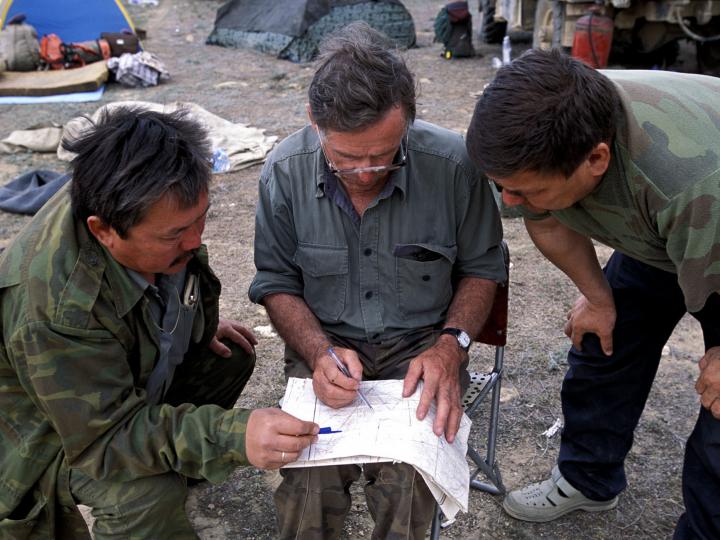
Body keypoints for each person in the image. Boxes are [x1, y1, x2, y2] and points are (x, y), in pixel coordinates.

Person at [0, 107, 319, 540]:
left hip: (95, 392)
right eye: (173, 235)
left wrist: (191, 324)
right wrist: (231, 435)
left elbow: (176, 271)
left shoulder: (136, 191)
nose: (195, 241)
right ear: (104, 231)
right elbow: (104, 440)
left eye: (199, 219)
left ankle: (176, 460)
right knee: (146, 493)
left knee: (228, 354)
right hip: (45, 437)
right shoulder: (59, 312)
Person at [249, 21, 506, 539]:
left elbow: (483, 269)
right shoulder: (284, 170)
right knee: (306, 485)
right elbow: (276, 282)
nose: (366, 173)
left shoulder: (454, 165)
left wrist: (451, 347)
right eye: (346, 159)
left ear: (407, 122)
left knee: (411, 483)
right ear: (314, 122)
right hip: (327, 346)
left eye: (383, 154)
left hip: (423, 347)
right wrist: (318, 353)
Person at [466, 48, 720, 539]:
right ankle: (590, 478)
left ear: (597, 158)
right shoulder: (548, 125)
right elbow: (548, 222)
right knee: (603, 340)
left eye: (526, 190)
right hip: (672, 232)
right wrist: (599, 298)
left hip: (708, 221)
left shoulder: (692, 188)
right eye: (504, 187)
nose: (510, 202)